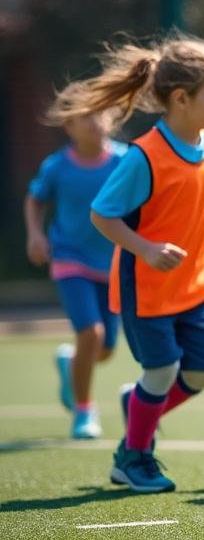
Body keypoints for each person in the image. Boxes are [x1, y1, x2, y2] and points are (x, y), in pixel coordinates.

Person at [71, 37, 204, 493]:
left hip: (195, 285)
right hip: (148, 287)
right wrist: (145, 248)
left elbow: (202, 191)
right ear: (181, 99)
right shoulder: (144, 156)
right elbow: (103, 213)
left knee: (202, 372)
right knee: (160, 371)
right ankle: (133, 457)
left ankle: (140, 404)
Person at [25, 110, 128, 439]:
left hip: (113, 263)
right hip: (70, 258)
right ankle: (84, 411)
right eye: (84, 117)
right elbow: (36, 200)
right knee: (91, 334)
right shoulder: (57, 166)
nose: (94, 121)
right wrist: (35, 235)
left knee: (107, 348)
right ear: (68, 126)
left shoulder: (125, 160)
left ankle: (71, 366)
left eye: (100, 114)